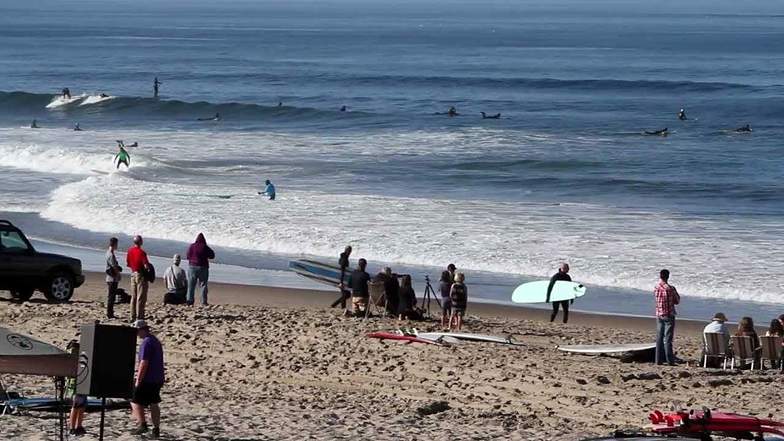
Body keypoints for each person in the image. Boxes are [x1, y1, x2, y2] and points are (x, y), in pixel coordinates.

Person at [130, 320, 164, 438]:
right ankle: (156, 428)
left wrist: (139, 379)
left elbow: (144, 363)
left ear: (142, 330)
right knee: (154, 402)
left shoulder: (146, 342)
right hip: (158, 377)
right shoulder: (155, 341)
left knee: (135, 401)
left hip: (148, 378)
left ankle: (142, 424)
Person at [654, 269, 680, 366]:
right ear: (668, 276)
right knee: (668, 338)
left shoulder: (656, 287)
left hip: (659, 314)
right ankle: (670, 360)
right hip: (669, 314)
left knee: (659, 337)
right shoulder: (670, 288)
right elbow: (677, 301)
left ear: (660, 276)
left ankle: (658, 360)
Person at [127, 235, 151, 322]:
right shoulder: (141, 252)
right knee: (140, 296)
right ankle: (139, 316)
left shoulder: (130, 251)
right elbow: (146, 265)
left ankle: (132, 316)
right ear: (141, 242)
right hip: (140, 275)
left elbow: (129, 263)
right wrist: (148, 269)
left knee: (133, 296)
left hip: (133, 273)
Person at [186, 233, 215, 306]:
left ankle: (190, 301)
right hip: (203, 267)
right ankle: (203, 302)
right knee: (203, 285)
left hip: (192, 267)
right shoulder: (205, 247)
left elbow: (188, 256)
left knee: (191, 285)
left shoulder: (192, 246)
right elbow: (212, 255)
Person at [66, 340, 86, 436]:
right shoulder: (75, 357)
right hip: (76, 383)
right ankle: (72, 427)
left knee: (81, 405)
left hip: (81, 381)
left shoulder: (82, 357)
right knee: (77, 405)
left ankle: (78, 426)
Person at [105, 237, 122, 319]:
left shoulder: (108, 253)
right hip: (112, 278)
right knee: (111, 296)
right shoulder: (111, 254)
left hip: (109, 277)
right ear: (115, 244)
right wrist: (118, 274)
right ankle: (110, 313)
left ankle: (110, 312)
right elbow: (114, 266)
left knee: (111, 296)